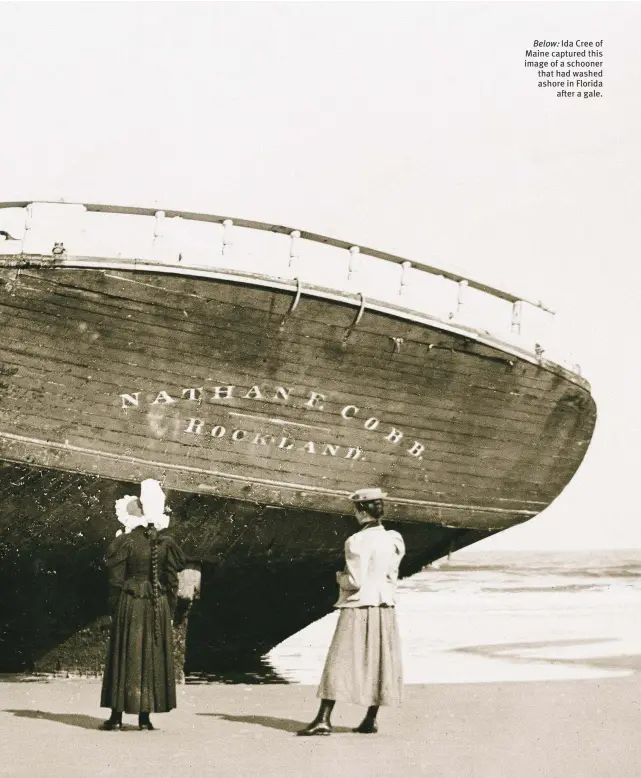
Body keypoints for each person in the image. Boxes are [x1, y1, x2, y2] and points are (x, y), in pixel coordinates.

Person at [297, 487, 405, 736]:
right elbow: (391, 574)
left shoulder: (356, 541)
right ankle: (370, 719)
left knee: (340, 659)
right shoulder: (394, 538)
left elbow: (355, 580)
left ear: (360, 511)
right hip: (385, 605)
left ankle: (324, 719)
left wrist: (339, 577)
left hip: (359, 605)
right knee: (381, 662)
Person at [100, 479, 186, 731]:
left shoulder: (126, 541)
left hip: (131, 602)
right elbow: (171, 581)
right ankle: (145, 719)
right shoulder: (166, 543)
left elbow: (115, 581)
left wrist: (113, 609)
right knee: (151, 657)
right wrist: (168, 609)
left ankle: (116, 718)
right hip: (156, 604)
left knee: (125, 654)